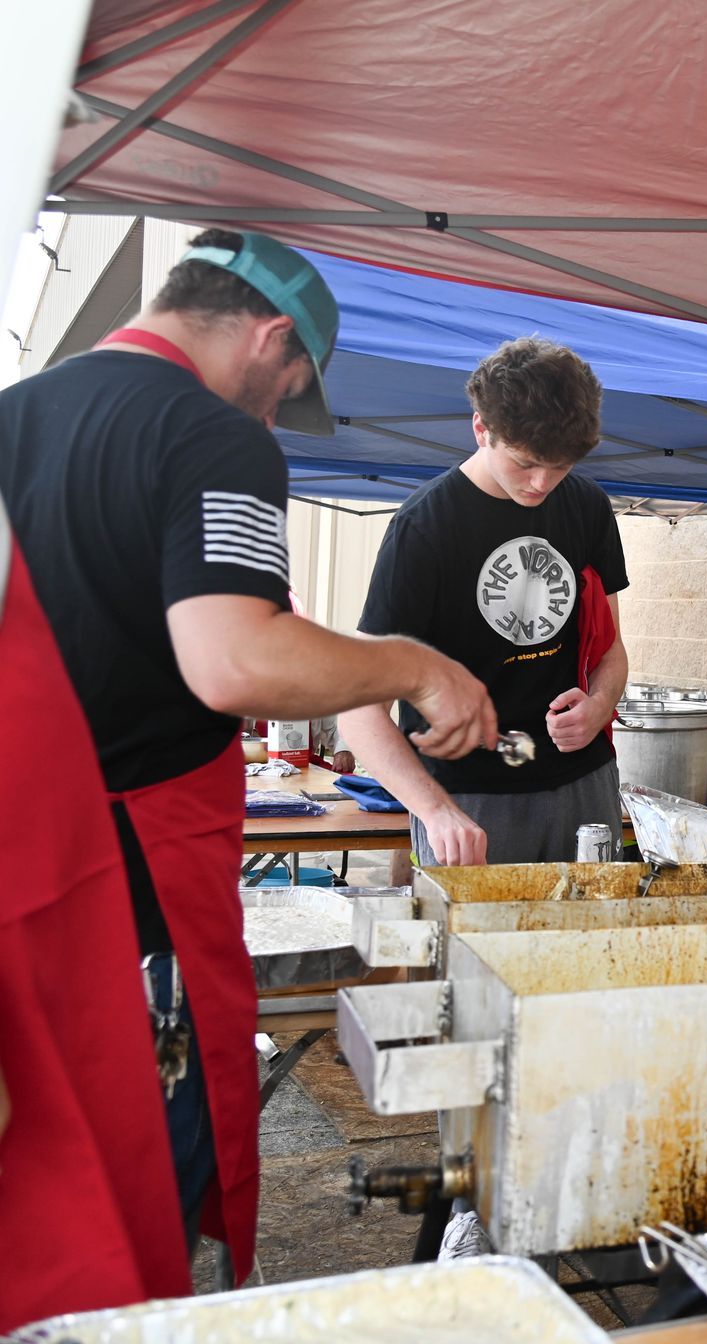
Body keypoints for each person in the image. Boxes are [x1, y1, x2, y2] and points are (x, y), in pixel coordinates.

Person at [0, 230, 495, 1317]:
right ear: (273, 337)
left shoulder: (21, 412)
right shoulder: (210, 432)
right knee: (125, 1203)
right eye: (286, 392)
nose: (273, 416)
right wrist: (416, 663)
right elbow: (234, 659)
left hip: (21, 859)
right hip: (123, 894)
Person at [342, 337, 629, 867]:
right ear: (481, 428)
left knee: (588, 946)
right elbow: (359, 712)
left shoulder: (588, 506)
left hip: (585, 782)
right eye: (525, 463)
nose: (542, 483)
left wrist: (599, 706)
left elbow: (612, 651)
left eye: (560, 466)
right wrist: (435, 810)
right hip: (469, 801)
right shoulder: (423, 529)